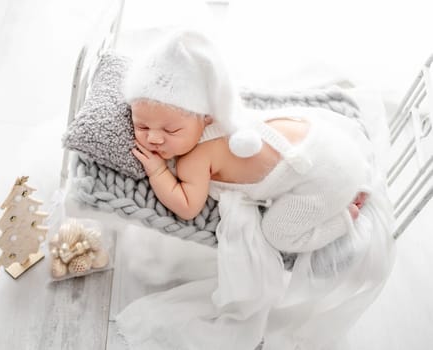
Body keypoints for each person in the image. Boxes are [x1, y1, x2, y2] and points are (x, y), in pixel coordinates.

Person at [116, 28, 395, 350]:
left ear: (205, 119)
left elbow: (187, 205)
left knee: (277, 233)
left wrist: (157, 170)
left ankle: (345, 216)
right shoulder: (226, 112)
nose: (153, 138)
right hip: (329, 143)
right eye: (142, 126)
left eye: (170, 129)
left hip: (323, 182)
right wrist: (167, 135)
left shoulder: (195, 158)